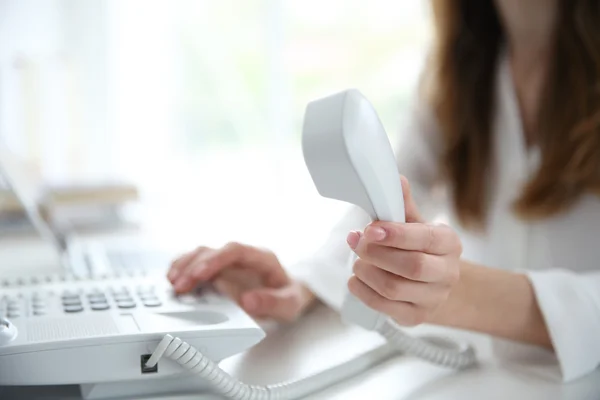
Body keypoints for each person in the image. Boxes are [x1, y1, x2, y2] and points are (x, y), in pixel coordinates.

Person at [167, 0, 600, 383]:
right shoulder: (459, 68)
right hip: (488, 382)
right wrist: (301, 286)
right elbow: (383, 201)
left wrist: (462, 295)